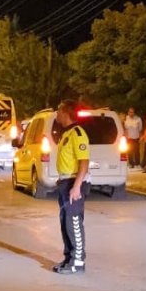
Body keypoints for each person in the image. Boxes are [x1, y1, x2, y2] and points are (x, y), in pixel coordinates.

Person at [51, 100, 91, 275]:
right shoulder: (66, 134)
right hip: (65, 181)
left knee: (74, 222)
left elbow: (84, 161)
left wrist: (76, 187)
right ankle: (69, 258)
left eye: (58, 111)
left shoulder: (77, 133)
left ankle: (78, 262)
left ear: (66, 113)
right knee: (65, 222)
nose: (56, 115)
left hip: (75, 183)